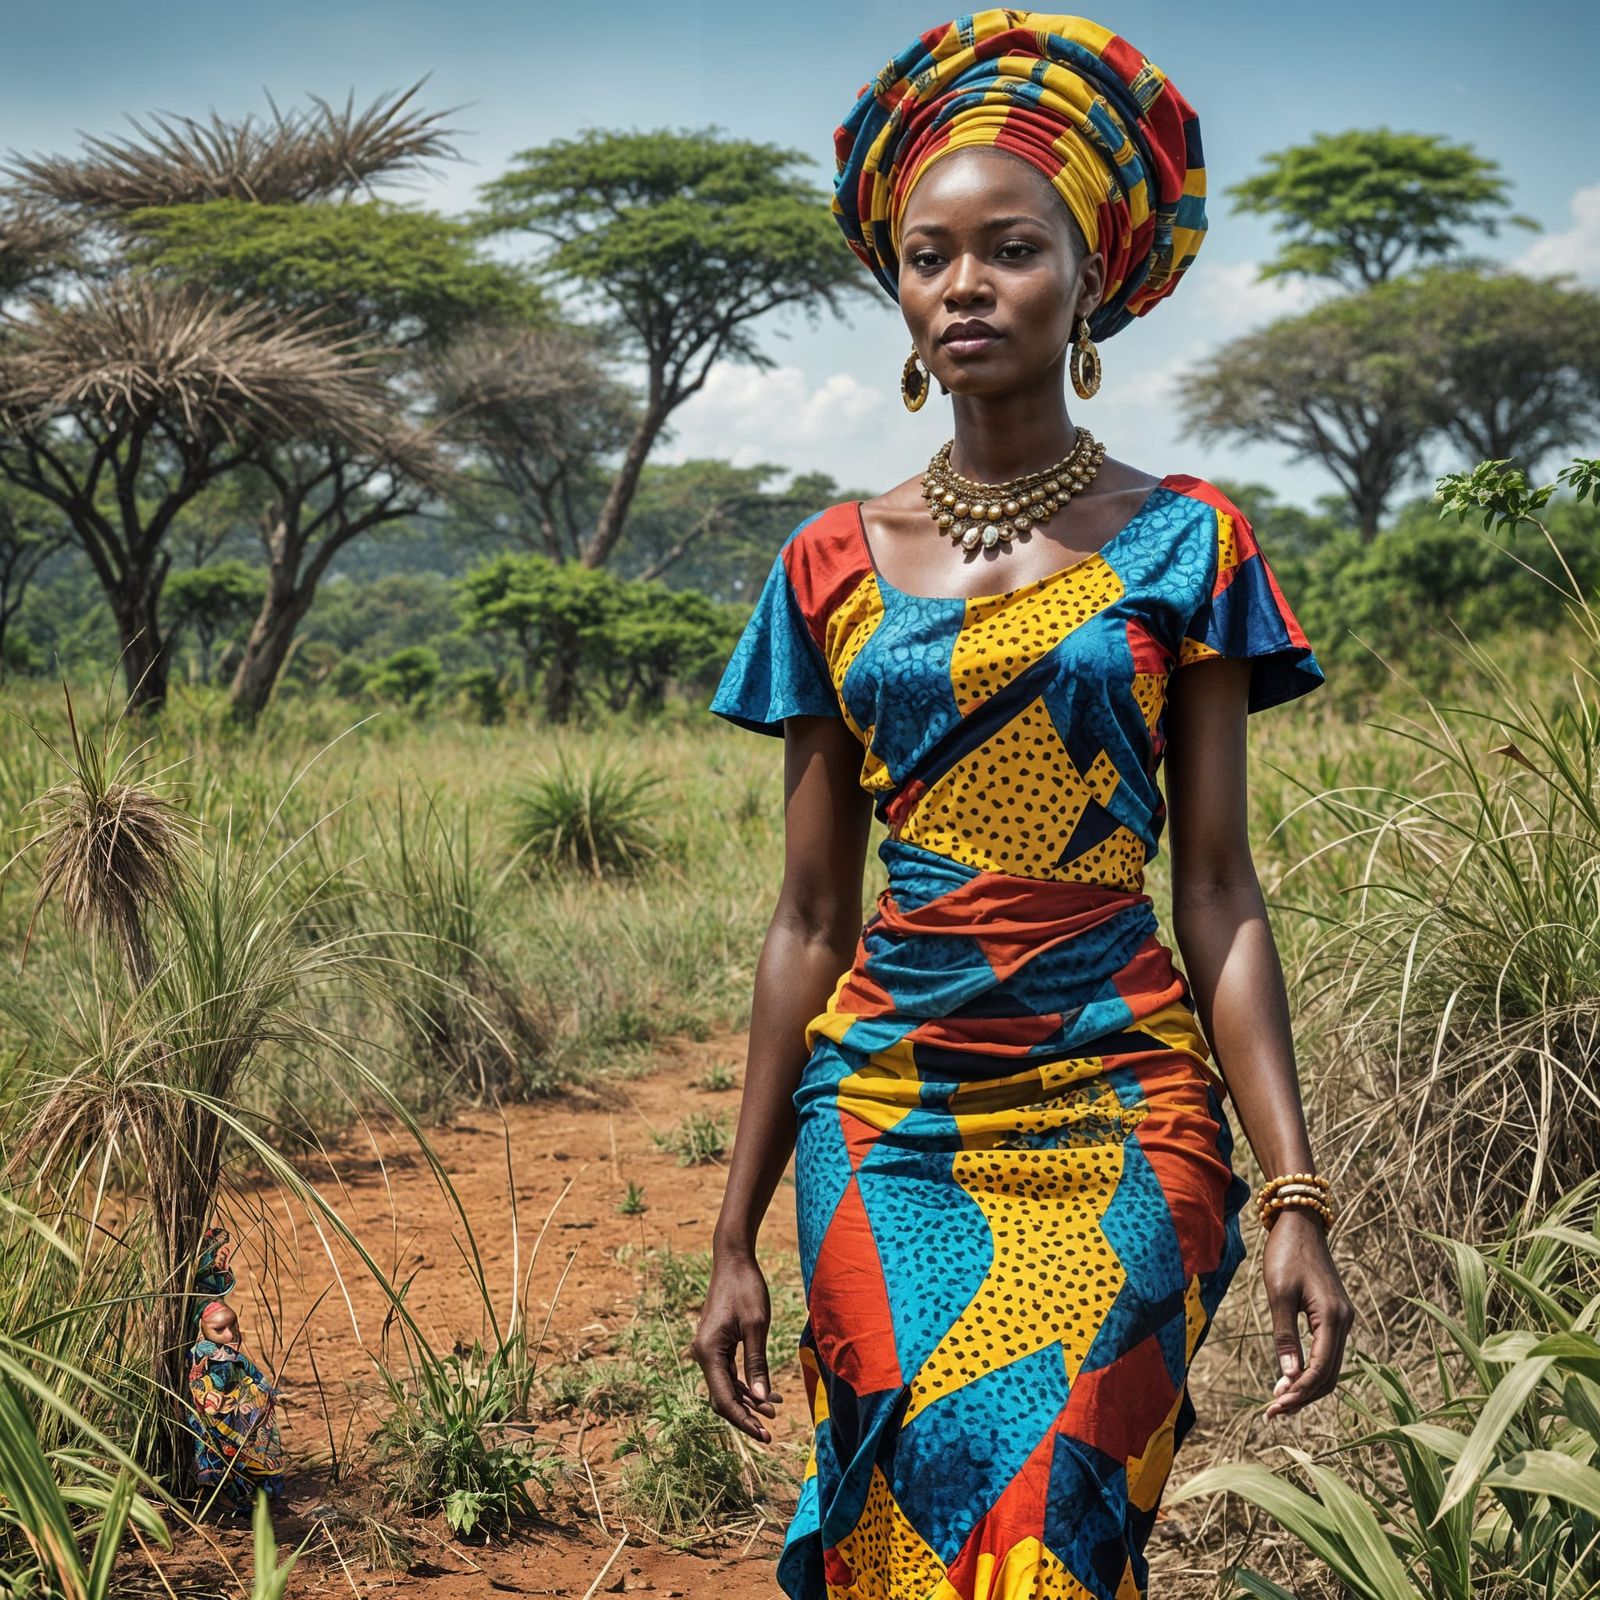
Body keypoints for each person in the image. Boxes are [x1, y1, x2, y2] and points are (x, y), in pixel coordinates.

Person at [693, 11, 1355, 1597]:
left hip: (1122, 1093)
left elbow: (1217, 892)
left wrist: (1296, 1194)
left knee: (1054, 1512)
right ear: (901, 299)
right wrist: (732, 1236)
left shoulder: (1189, 543)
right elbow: (807, 916)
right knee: (910, 1519)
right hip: (890, 1106)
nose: (966, 284)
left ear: (1089, 282)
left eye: (1011, 249)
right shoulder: (830, 563)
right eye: (930, 257)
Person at [184, 1232, 284, 1514]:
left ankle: (249, 1485)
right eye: (219, 1330)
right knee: (216, 1452)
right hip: (214, 1416)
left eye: (232, 1326)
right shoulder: (204, 1354)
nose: (229, 1335)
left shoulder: (230, 1355)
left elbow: (251, 1374)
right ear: (203, 1329)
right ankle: (223, 1490)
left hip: (235, 1416)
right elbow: (206, 1392)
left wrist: (261, 1389)